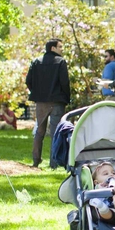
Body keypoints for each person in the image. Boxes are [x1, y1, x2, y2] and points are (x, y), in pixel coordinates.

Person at [26, 38, 70, 168]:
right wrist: (66, 97)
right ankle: (54, 164)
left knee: (39, 132)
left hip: (41, 102)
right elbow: (65, 82)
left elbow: (28, 81)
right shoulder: (60, 61)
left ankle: (36, 161)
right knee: (56, 133)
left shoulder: (36, 61)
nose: (62, 49)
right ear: (53, 48)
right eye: (60, 46)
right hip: (57, 101)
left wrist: (36, 92)